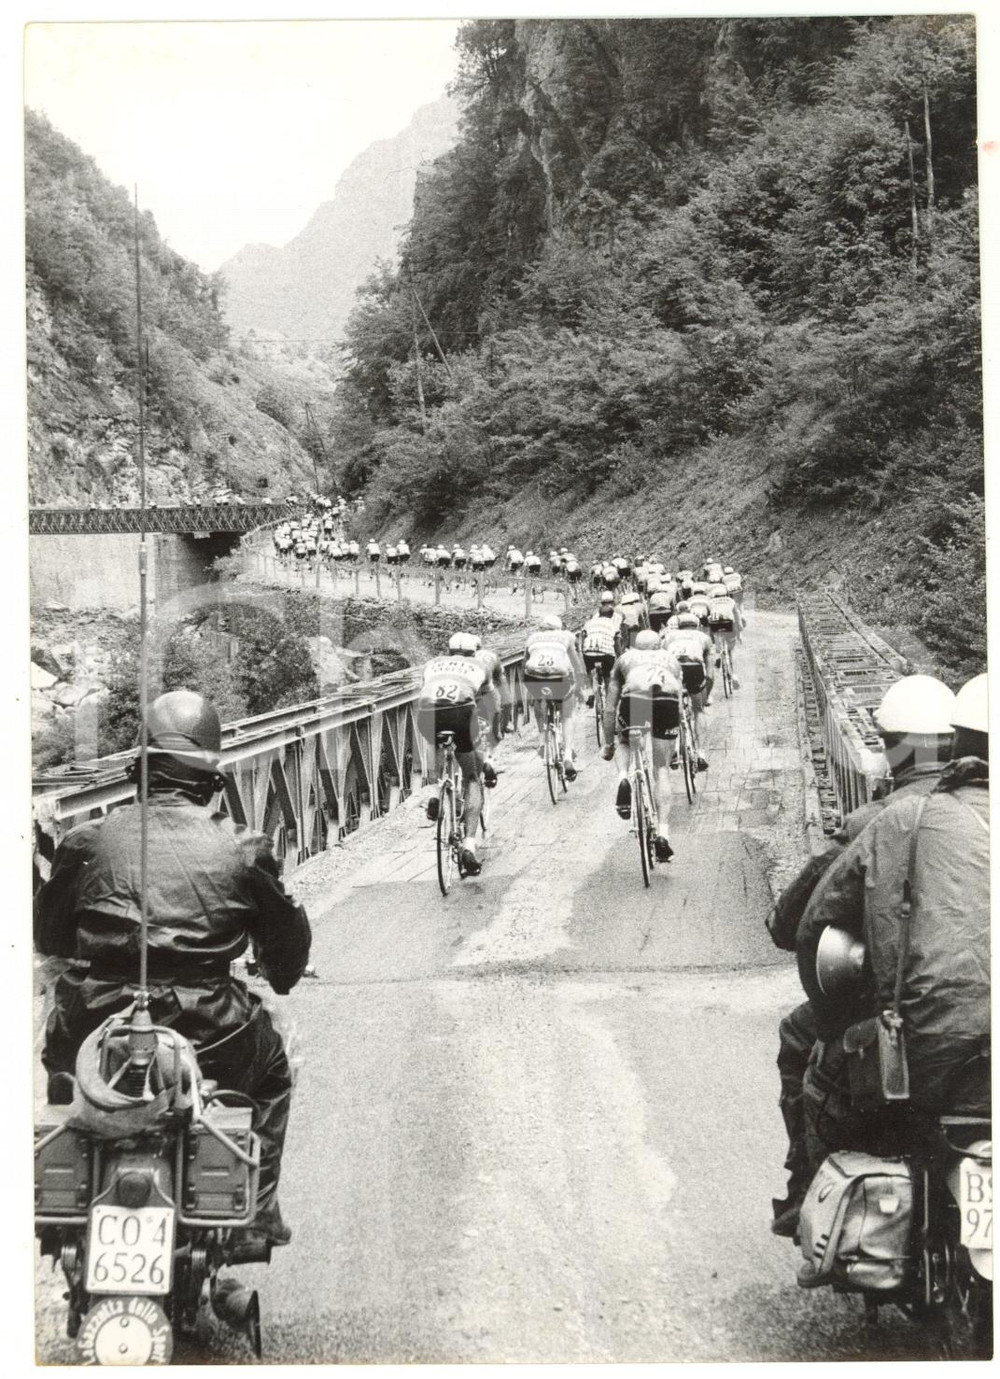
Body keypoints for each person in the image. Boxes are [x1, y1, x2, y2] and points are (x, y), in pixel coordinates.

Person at [34, 691, 312, 1248]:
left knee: (63, 1069)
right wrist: (276, 968)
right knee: (275, 1068)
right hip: (212, 1029)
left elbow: (49, 938)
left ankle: (71, 1196)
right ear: (211, 779)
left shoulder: (85, 841)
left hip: (93, 1024)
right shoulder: (241, 847)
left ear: (139, 770)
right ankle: (255, 1214)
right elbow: (285, 956)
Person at [766, 674, 958, 1236]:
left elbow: (799, 924)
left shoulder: (877, 822)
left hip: (900, 1015)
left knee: (801, 1037)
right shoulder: (980, 813)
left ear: (892, 748)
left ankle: (806, 1183)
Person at [795, 673, 988, 1189]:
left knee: (822, 1076)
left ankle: (814, 1203)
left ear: (960, 741)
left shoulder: (903, 817)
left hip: (935, 1050)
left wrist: (835, 1024)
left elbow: (814, 925)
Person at [418, 633, 498, 876]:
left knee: (437, 740)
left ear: (449, 650)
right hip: (462, 713)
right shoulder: (481, 665)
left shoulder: (432, 664)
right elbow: (490, 703)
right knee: (472, 777)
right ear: (475, 651)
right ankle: (469, 846)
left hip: (428, 711)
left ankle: (436, 792)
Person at [601, 628, 683, 862]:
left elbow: (609, 707)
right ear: (659, 646)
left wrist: (609, 744)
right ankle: (663, 833)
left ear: (635, 646)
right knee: (662, 770)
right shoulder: (671, 660)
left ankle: (624, 777)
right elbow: (677, 703)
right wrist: (672, 742)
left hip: (636, 698)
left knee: (625, 740)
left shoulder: (624, 659)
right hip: (666, 700)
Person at [523, 612, 586, 780]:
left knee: (538, 699)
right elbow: (576, 665)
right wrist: (579, 688)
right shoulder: (567, 637)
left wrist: (531, 691)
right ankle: (567, 755)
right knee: (567, 714)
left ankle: (542, 742)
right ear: (559, 628)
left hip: (534, 677)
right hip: (558, 678)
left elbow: (525, 665)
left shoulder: (532, 638)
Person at [660, 612, 712, 770]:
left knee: (670, 711)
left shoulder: (668, 636)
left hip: (672, 669)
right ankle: (701, 753)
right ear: (697, 625)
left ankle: (674, 749)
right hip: (694, 669)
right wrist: (705, 695)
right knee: (699, 711)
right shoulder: (703, 637)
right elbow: (710, 674)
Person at [581, 592, 624, 699]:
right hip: (606, 653)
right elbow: (617, 644)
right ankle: (609, 695)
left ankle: (592, 692)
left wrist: (583, 651)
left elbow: (583, 636)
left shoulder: (589, 622)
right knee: (608, 675)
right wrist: (619, 656)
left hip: (588, 652)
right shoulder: (613, 624)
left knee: (589, 670)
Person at [707, 584, 744, 689]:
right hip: (729, 625)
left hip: (715, 625)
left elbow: (707, 617)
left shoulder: (710, 602)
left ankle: (719, 655)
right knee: (731, 651)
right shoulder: (731, 601)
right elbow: (737, 616)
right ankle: (734, 675)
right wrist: (740, 631)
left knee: (716, 637)